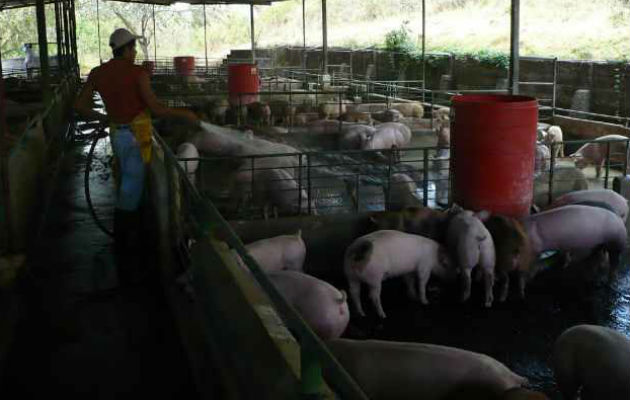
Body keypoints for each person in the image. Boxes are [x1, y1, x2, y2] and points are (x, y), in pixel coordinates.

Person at [74, 28, 198, 283]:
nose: (135, 53)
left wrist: (105, 118)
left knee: (131, 184)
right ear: (128, 48)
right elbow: (156, 108)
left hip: (117, 134)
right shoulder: (137, 73)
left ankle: (128, 240)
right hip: (136, 135)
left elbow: (79, 106)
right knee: (131, 189)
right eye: (133, 48)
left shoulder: (98, 73)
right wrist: (185, 114)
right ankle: (127, 250)